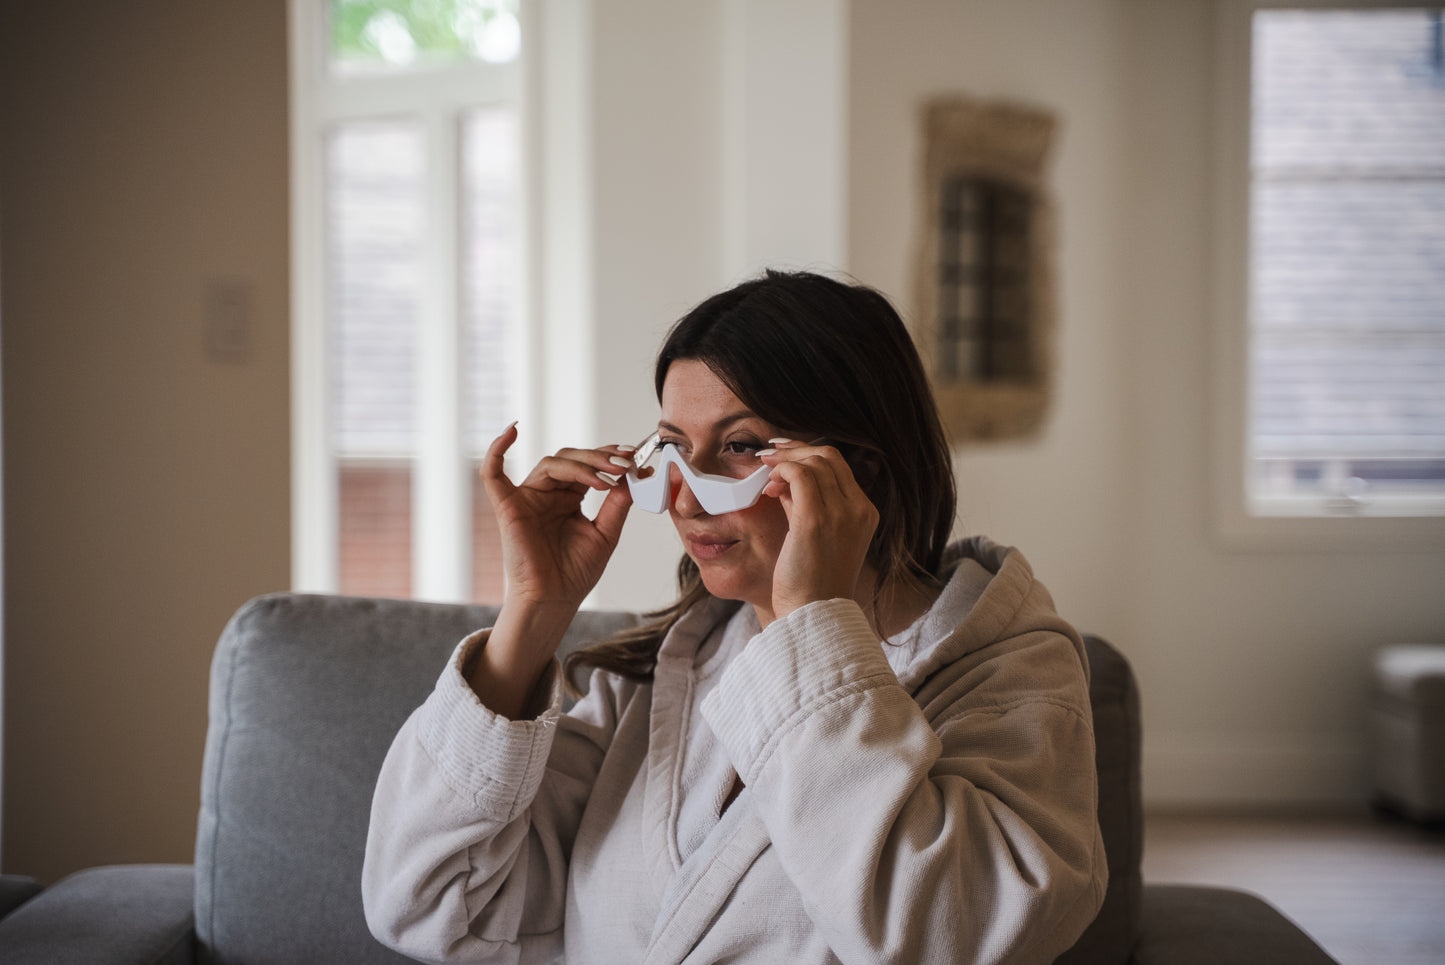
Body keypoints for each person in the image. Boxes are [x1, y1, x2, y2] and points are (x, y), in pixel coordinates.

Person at [362, 270, 1108, 965]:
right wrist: (533, 611)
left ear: (861, 471)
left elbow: (953, 932)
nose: (685, 498)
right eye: (674, 449)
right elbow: (422, 905)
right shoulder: (644, 686)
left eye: (740, 447)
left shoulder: (1011, 676)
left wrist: (814, 620)